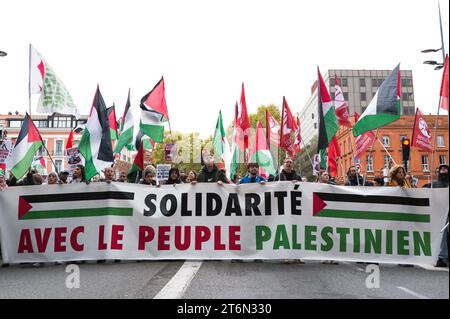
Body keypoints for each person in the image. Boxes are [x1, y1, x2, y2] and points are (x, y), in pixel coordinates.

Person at [423, 164, 449, 268]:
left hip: (446, 213)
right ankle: (442, 257)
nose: (443, 170)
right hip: (438, 214)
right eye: (441, 168)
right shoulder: (433, 185)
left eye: (445, 169)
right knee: (442, 236)